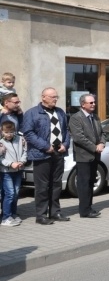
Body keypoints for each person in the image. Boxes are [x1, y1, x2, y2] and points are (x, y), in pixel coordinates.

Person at [22, 87, 71, 225]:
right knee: (42, 186)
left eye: (56, 97)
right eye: (52, 97)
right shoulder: (32, 113)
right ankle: (41, 215)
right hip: (41, 154)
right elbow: (28, 133)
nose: (55, 99)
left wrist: (65, 144)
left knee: (56, 184)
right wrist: (45, 146)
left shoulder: (60, 112)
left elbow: (66, 131)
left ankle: (55, 212)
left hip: (58, 152)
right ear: (43, 97)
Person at [67, 93, 105, 218]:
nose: (94, 104)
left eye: (94, 102)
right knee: (83, 184)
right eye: (91, 103)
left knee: (91, 182)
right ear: (83, 104)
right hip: (83, 156)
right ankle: (84, 210)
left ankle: (89, 207)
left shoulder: (95, 117)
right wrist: (94, 147)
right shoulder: (76, 118)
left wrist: (102, 143)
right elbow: (79, 138)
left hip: (95, 156)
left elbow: (102, 133)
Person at [1, 120, 26, 226]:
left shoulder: (20, 139)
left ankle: (13, 214)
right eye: (6, 132)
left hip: (18, 170)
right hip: (6, 171)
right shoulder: (1, 142)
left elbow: (25, 151)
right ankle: (6, 217)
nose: (9, 134)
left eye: (11, 132)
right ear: (2, 131)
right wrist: (10, 163)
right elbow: (1, 158)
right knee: (10, 193)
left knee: (15, 193)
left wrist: (21, 161)